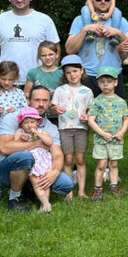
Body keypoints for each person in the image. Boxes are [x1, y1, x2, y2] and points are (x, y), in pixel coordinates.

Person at [0, 85, 73, 210]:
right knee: (25, 156)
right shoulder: (13, 118)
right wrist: (35, 144)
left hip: (37, 168)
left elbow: (57, 154)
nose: (41, 104)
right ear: (28, 101)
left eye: (45, 100)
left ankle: (30, 191)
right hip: (5, 171)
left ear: (49, 103)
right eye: (37, 100)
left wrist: (55, 172)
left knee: (66, 184)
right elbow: (4, 148)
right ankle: (14, 199)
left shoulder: (50, 127)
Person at [0, 0, 60, 92]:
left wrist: (52, 75)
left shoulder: (44, 20)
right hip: (7, 80)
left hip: (39, 81)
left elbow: (55, 48)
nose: (19, 0)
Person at [66, 0, 128, 96]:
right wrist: (85, 29)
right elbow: (69, 50)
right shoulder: (80, 20)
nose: (103, 1)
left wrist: (118, 33)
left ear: (111, 0)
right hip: (87, 76)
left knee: (115, 108)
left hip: (112, 76)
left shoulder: (120, 21)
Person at [51, 55, 94, 197]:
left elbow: (91, 110)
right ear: (65, 74)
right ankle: (68, 192)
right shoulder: (60, 90)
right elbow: (53, 108)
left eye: (75, 71)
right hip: (65, 129)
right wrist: (55, 109)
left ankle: (81, 191)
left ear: (82, 71)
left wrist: (88, 116)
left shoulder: (87, 91)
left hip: (81, 129)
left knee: (80, 159)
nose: (72, 75)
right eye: (68, 72)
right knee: (68, 159)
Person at [87, 67, 128, 201]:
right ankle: (98, 189)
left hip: (116, 139)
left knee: (114, 164)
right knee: (101, 164)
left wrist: (122, 132)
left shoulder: (121, 102)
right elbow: (91, 120)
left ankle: (114, 187)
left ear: (115, 83)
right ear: (98, 83)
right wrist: (102, 133)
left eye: (109, 81)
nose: (105, 84)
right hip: (101, 139)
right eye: (102, 82)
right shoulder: (96, 101)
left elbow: (126, 118)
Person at [14, 107, 55, 212]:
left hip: (43, 160)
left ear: (38, 122)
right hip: (32, 160)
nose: (29, 125)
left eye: (32, 122)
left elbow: (50, 142)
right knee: (36, 182)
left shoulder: (42, 132)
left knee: (44, 183)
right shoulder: (20, 132)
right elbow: (14, 146)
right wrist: (21, 139)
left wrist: (38, 135)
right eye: (26, 122)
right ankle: (46, 203)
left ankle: (44, 205)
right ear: (21, 124)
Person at [24, 41, 63, 115]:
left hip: (58, 113)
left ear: (56, 54)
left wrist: (58, 92)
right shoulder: (33, 73)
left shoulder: (62, 72)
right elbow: (26, 93)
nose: (47, 58)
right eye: (43, 55)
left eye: (50, 54)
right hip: (38, 113)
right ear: (39, 56)